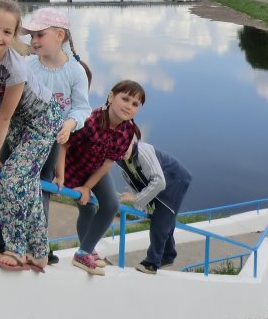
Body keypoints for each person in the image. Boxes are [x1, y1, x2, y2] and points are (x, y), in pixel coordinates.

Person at [0, 7, 91, 264]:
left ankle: (24, 246)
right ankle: (11, 242)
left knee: (32, 185)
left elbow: (81, 107)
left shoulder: (74, 70)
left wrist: (69, 125)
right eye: (30, 36)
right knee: (10, 180)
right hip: (20, 126)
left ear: (59, 36)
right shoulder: (28, 62)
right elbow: (18, 100)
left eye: (39, 35)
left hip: (52, 133)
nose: (33, 41)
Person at [0, 0, 63, 272]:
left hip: (42, 119)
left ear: (14, 36)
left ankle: (14, 249)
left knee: (12, 179)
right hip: (18, 121)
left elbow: (3, 116)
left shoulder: (15, 67)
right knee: (28, 185)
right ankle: (39, 253)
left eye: (7, 32)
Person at [54, 79, 143, 276]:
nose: (128, 106)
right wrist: (60, 176)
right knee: (88, 209)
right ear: (111, 96)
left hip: (94, 169)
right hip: (71, 167)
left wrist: (87, 187)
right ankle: (84, 253)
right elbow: (63, 145)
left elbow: (109, 161)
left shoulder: (128, 130)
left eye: (135, 104)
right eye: (125, 99)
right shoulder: (90, 120)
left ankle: (85, 250)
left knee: (111, 204)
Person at [118, 129, 192, 275]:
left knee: (160, 222)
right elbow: (133, 182)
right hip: (161, 183)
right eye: (117, 146)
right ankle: (168, 255)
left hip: (175, 180)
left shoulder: (143, 152)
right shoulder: (121, 161)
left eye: (125, 144)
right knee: (166, 221)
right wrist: (142, 203)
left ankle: (152, 263)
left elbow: (159, 181)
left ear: (132, 141)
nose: (122, 149)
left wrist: (136, 199)